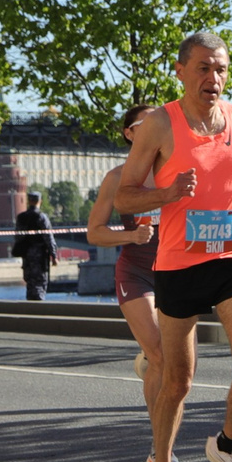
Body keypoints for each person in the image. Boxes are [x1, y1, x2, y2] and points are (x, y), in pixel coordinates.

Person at [110, 32, 232, 462]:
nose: (213, 78)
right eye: (202, 68)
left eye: (220, 69)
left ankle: (226, 445)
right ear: (180, 71)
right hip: (179, 263)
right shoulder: (159, 125)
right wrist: (169, 193)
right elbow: (125, 198)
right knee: (177, 380)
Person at [84, 103, 166, 401]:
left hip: (176, 271)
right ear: (129, 134)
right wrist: (132, 235)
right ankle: (159, 443)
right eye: (145, 126)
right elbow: (94, 232)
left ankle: (150, 361)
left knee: (178, 363)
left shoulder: (177, 170)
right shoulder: (117, 178)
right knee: (160, 353)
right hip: (136, 273)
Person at [13, 193, 56, 300]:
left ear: (28, 201)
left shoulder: (21, 217)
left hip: (26, 255)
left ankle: (30, 310)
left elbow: (18, 237)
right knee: (40, 284)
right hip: (40, 256)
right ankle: (39, 311)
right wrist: (53, 255)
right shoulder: (42, 217)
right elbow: (48, 237)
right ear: (40, 201)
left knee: (30, 284)